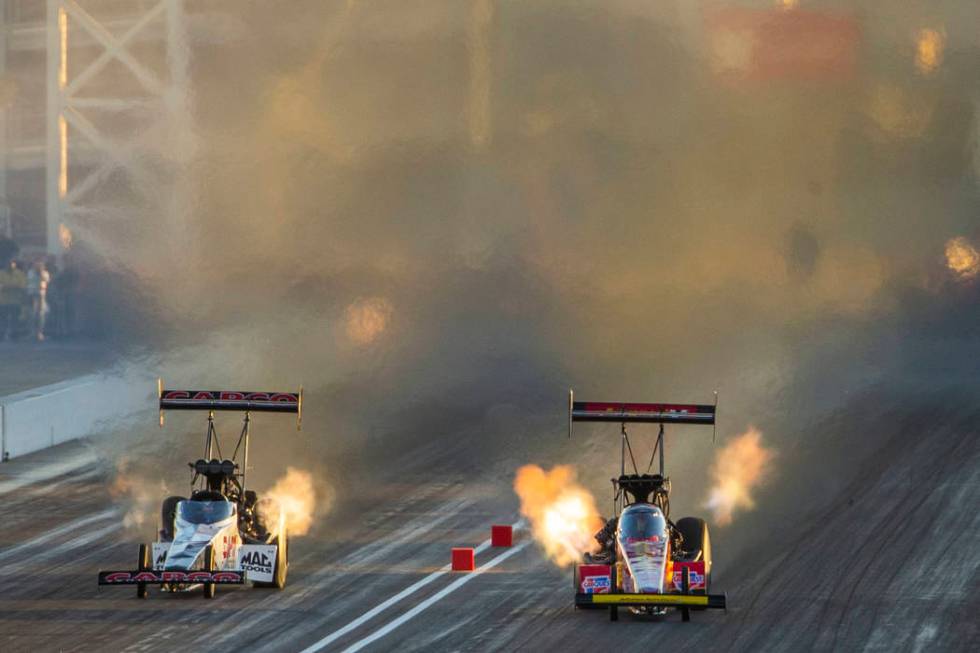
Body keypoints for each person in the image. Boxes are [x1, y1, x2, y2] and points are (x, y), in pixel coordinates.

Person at [0, 258, 27, 340]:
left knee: (15, 318)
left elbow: (22, 286)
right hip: (3, 300)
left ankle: (14, 334)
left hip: (16, 300)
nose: (10, 265)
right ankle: (1, 333)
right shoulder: (1, 273)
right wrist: (13, 286)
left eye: (12, 263)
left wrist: (7, 286)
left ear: (15, 264)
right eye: (8, 263)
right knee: (3, 318)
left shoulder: (20, 274)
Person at [26, 258, 50, 341]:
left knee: (41, 314)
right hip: (32, 295)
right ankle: (32, 332)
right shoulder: (30, 272)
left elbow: (45, 282)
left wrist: (41, 274)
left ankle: (40, 332)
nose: (38, 266)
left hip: (41, 295)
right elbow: (30, 282)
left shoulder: (45, 273)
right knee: (32, 313)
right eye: (36, 265)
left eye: (40, 265)